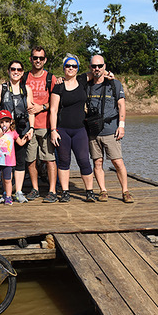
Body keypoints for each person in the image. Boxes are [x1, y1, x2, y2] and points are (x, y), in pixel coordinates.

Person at [85, 55, 134, 203]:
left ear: (105, 66)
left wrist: (122, 126)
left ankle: (125, 191)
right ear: (90, 67)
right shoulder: (86, 85)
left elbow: (121, 105)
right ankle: (103, 190)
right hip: (93, 131)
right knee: (97, 162)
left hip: (111, 130)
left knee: (117, 162)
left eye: (100, 66)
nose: (97, 69)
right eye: (94, 66)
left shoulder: (114, 84)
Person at [49, 53, 96, 203]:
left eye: (74, 66)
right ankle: (65, 192)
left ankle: (89, 191)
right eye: (68, 66)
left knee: (84, 161)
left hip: (80, 130)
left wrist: (109, 74)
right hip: (62, 130)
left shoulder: (82, 80)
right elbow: (53, 110)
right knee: (64, 162)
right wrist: (53, 131)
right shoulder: (58, 87)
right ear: (63, 68)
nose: (71, 68)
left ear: (77, 68)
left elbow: (97, 72)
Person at [0, 61, 35, 203]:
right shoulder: (1, 89)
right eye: (13, 69)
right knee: (4, 163)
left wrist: (32, 128)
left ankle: (19, 191)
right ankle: (5, 192)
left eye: (19, 69)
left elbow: (31, 110)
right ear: (8, 71)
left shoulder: (26, 88)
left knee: (20, 161)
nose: (16, 72)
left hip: (22, 130)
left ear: (23, 72)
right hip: (4, 133)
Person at [22, 47, 59, 203]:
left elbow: (57, 101)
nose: (38, 60)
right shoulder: (24, 77)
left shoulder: (51, 78)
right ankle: (35, 189)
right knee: (30, 159)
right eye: (35, 57)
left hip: (45, 124)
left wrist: (42, 107)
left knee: (50, 159)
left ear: (45, 60)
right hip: (28, 126)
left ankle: (52, 191)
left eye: (41, 58)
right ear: (30, 59)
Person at [0, 110, 28, 205]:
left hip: (8, 162)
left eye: (7, 121)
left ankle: (8, 197)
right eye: (2, 122)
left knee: (8, 180)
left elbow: (20, 143)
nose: (5, 124)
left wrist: (26, 137)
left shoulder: (13, 133)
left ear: (11, 122)